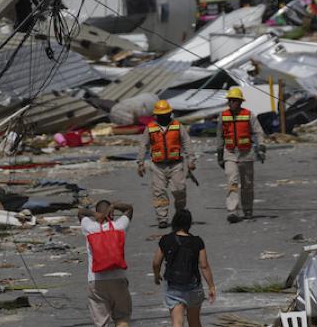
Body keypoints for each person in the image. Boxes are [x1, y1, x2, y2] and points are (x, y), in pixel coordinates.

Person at [152, 209, 217, 327]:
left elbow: (156, 262)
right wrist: (211, 287)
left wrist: (157, 275)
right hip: (193, 286)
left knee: (177, 322)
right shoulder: (197, 241)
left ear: (175, 222)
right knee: (195, 322)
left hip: (174, 287)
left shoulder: (166, 239)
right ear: (189, 224)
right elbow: (204, 265)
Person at [138, 99, 195, 228]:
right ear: (156, 115)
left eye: (166, 114)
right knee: (159, 192)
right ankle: (162, 218)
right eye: (161, 114)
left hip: (176, 164)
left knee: (180, 189)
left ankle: (180, 214)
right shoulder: (150, 128)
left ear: (170, 113)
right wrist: (140, 163)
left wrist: (191, 160)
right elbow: (144, 145)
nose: (164, 117)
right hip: (158, 166)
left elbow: (186, 142)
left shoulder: (177, 126)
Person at [79, 199, 134, 327]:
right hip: (118, 278)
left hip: (96, 280)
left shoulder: (89, 227)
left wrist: (94, 214)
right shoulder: (119, 226)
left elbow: (80, 213)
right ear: (112, 214)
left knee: (101, 322)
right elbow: (129, 208)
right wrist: (114, 206)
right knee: (122, 318)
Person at [216, 87, 266, 223]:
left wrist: (261, 146)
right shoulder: (223, 116)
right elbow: (220, 135)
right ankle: (232, 211)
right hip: (230, 153)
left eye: (235, 100)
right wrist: (220, 154)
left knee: (247, 184)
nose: (232, 103)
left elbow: (258, 132)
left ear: (240, 102)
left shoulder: (249, 115)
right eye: (230, 100)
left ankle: (248, 210)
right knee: (232, 181)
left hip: (246, 153)